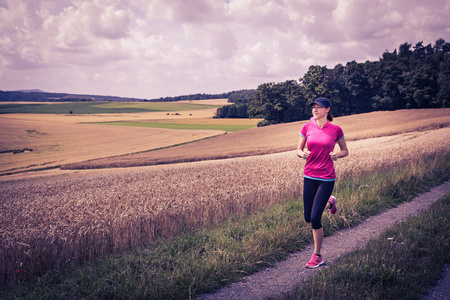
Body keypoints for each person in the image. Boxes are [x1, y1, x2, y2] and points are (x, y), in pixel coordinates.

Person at [296, 97, 348, 268]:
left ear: (327, 110)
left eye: (319, 107)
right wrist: (301, 153)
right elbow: (298, 149)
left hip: (326, 177)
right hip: (309, 175)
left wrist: (337, 155)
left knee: (315, 218)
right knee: (307, 217)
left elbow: (345, 150)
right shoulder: (307, 127)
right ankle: (330, 203)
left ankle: (317, 256)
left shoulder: (336, 130)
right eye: (313, 107)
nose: (315, 110)